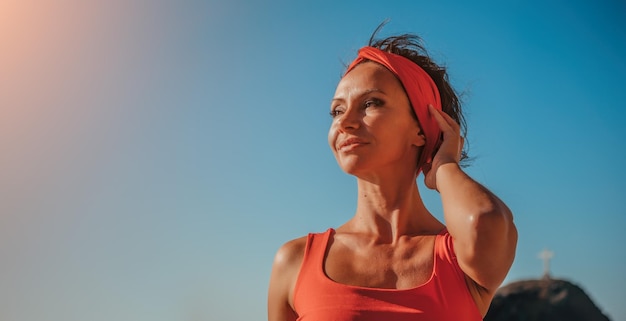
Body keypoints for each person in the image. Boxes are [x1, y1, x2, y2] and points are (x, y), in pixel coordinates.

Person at [267, 29, 518, 321]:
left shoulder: (458, 259)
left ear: (420, 129)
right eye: (336, 111)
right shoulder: (294, 262)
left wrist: (445, 164)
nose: (345, 123)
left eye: (371, 103)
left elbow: (484, 221)